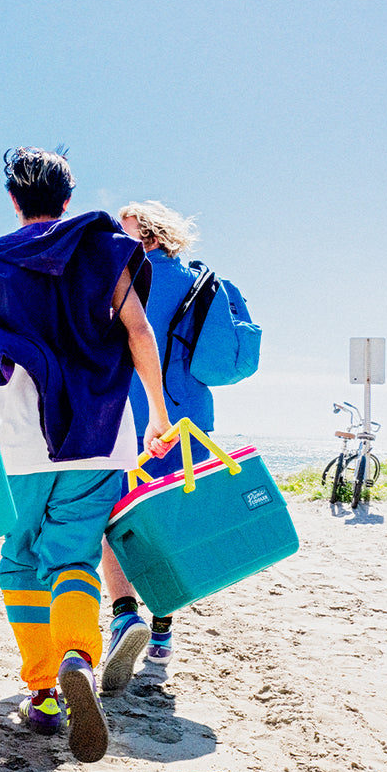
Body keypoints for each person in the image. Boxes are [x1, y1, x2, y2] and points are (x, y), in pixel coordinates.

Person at [0, 148, 174, 764]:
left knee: (19, 561)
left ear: (14, 200)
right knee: (76, 559)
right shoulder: (107, 250)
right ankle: (77, 656)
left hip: (14, 440)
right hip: (98, 435)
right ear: (68, 198)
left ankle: (41, 692)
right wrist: (160, 416)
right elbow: (139, 333)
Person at [99, 201, 248, 687]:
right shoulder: (205, 281)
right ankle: (162, 632)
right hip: (192, 421)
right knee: (172, 522)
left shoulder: (120, 281)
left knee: (113, 521)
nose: (117, 244)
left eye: (126, 235)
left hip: (130, 419)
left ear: (151, 237)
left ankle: (125, 613)